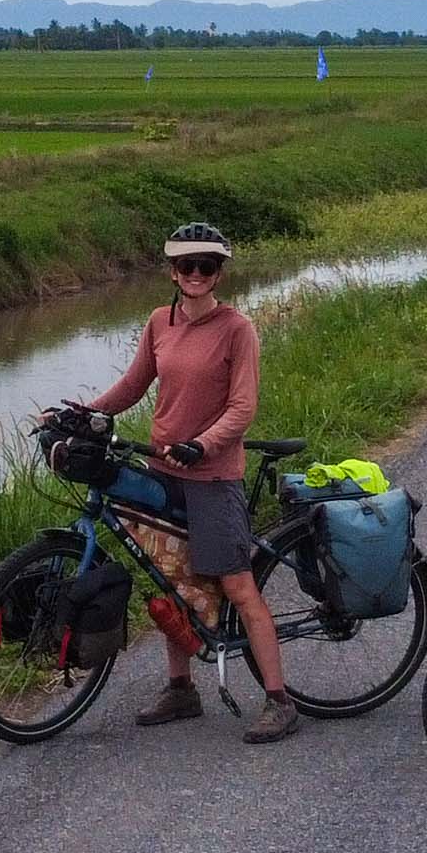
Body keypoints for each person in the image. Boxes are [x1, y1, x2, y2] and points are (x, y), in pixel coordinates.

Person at [81, 221, 300, 744]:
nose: (196, 274)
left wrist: (202, 444)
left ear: (219, 272)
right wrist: (80, 411)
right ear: (172, 272)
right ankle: (181, 689)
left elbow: (243, 407)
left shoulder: (237, 329)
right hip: (163, 468)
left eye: (206, 266)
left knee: (237, 586)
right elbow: (133, 386)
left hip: (212, 476)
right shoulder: (160, 321)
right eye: (186, 266)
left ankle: (279, 699)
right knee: (171, 579)